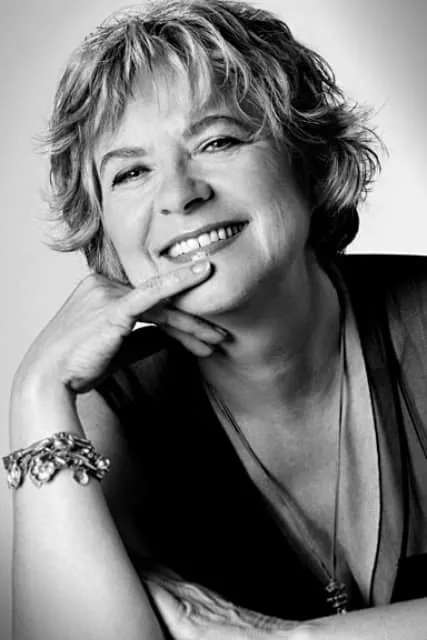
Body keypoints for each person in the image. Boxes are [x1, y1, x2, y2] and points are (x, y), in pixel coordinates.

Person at [5, 0, 427, 638]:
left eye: (218, 141)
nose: (179, 194)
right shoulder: (103, 415)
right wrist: (36, 392)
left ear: (309, 161)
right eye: (132, 172)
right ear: (104, 229)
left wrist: (294, 639)